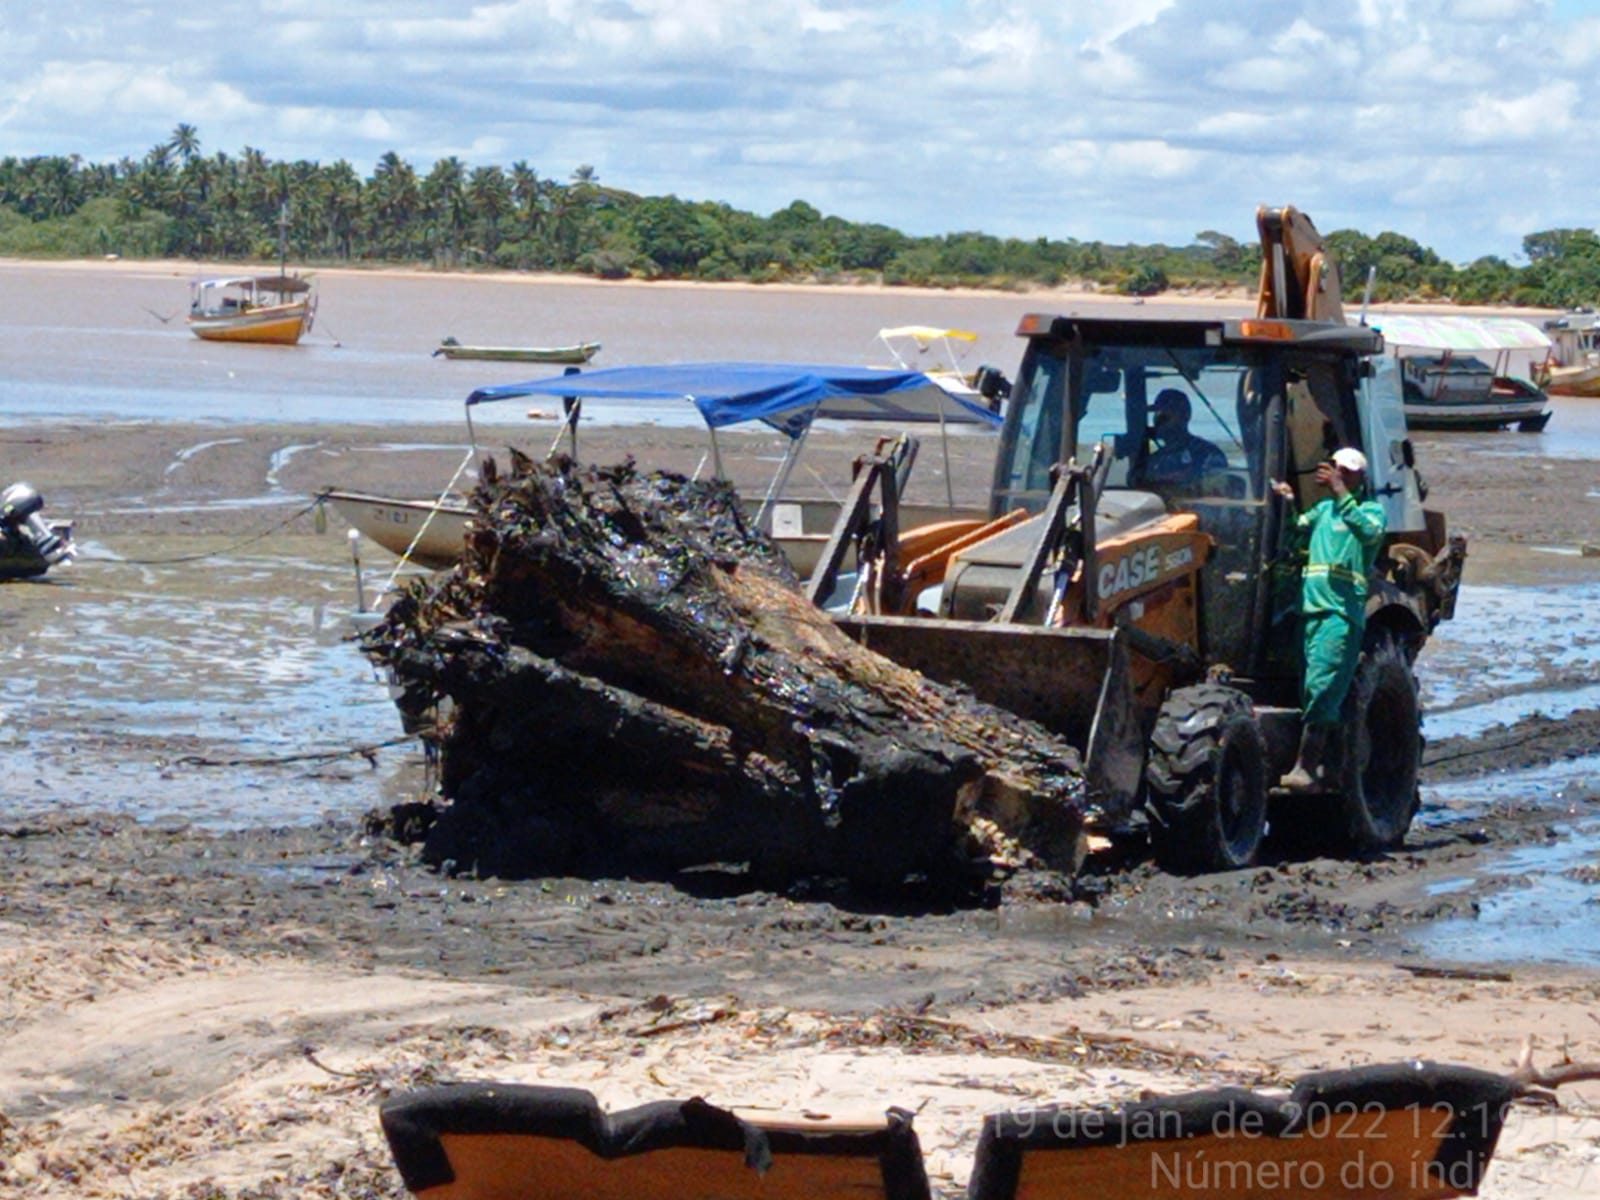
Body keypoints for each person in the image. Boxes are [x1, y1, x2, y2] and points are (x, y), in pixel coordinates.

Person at [1271, 447, 1388, 789]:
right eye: (1336, 468)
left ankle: (1307, 765)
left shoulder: (1370, 511)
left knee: (1323, 685)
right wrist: (1289, 502)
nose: (1339, 474)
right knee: (1309, 685)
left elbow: (1369, 533)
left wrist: (1340, 492)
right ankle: (1333, 763)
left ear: (1360, 479)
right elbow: (1296, 531)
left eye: (1347, 472)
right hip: (1312, 609)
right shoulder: (1322, 511)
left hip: (1341, 612)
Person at [1139, 389, 1227, 488]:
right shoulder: (1154, 460)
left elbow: (1214, 489)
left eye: (1164, 416)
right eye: (1156, 415)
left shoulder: (1206, 453)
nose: (1159, 421)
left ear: (1185, 415)